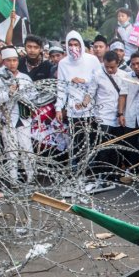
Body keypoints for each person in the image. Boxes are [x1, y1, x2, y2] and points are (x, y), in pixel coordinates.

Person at [55, 30, 102, 177]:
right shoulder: (63, 63)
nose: (73, 48)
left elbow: (99, 80)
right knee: (76, 141)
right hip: (72, 110)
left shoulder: (92, 60)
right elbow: (61, 87)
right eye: (70, 45)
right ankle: (77, 172)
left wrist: (84, 80)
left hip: (90, 108)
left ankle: (91, 171)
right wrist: (58, 108)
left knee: (91, 140)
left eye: (76, 44)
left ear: (81, 44)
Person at [0, 46, 36, 185]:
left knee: (27, 148)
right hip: (7, 118)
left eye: (15, 60)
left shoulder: (24, 77)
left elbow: (34, 95)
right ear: (4, 62)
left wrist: (22, 95)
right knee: (11, 151)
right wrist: (8, 94)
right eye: (9, 60)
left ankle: (31, 177)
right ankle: (13, 180)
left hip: (23, 118)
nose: (12, 63)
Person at [86, 50, 129, 191]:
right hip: (101, 116)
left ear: (118, 63)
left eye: (112, 67)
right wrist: (83, 104)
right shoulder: (97, 75)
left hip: (117, 117)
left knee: (116, 147)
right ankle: (102, 176)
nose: (109, 69)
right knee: (102, 148)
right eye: (107, 67)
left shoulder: (124, 76)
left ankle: (114, 174)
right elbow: (90, 93)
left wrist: (120, 113)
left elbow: (122, 95)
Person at [120, 51, 139, 179]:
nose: (136, 66)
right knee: (131, 145)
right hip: (130, 115)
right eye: (133, 64)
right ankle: (132, 171)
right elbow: (123, 95)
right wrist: (120, 113)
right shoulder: (127, 77)